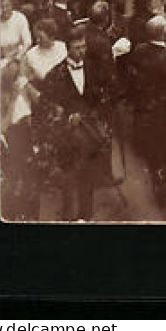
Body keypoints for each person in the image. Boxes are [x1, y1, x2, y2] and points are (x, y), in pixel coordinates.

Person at [35, 23, 116, 222]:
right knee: (69, 179)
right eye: (78, 47)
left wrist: (93, 114)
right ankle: (68, 219)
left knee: (87, 178)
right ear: (68, 48)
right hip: (67, 138)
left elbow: (103, 98)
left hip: (90, 135)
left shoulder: (93, 69)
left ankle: (85, 217)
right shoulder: (55, 75)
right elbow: (46, 107)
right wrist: (65, 118)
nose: (82, 51)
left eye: (84, 47)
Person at [125, 15, 166, 204]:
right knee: (165, 152)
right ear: (164, 34)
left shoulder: (139, 51)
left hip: (144, 107)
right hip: (164, 112)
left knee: (152, 150)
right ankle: (164, 193)